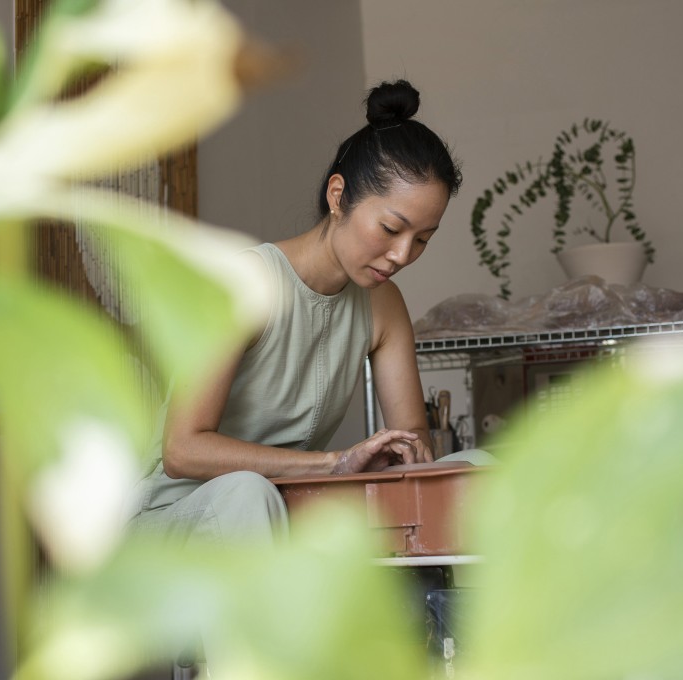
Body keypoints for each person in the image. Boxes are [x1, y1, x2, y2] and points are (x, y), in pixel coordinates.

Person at [129, 79, 465, 545]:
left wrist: (401, 452)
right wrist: (334, 464)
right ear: (337, 195)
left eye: (422, 239)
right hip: (174, 515)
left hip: (286, 504)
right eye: (391, 229)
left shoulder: (383, 305)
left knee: (471, 471)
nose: (402, 255)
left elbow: (413, 437)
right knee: (249, 494)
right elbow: (182, 450)